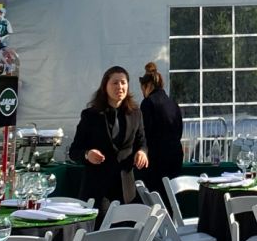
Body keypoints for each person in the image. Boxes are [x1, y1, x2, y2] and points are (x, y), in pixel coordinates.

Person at [69, 65, 150, 217]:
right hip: (98, 189)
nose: (120, 86)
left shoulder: (136, 114)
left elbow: (142, 142)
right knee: (101, 234)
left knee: (126, 233)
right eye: (115, 83)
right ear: (105, 86)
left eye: (123, 82)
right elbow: (74, 151)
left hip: (126, 189)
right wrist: (87, 154)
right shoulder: (90, 115)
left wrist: (142, 152)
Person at [138, 61, 184, 190]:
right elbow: (179, 130)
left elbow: (145, 131)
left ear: (148, 86)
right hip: (175, 156)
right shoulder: (173, 103)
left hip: (156, 159)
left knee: (156, 197)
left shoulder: (147, 103)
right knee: (171, 195)